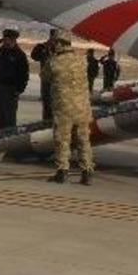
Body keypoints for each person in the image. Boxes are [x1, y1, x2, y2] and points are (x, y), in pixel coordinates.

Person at [47, 37, 95, 185]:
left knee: (62, 139)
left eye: (55, 44)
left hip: (64, 108)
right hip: (82, 107)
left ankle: (62, 171)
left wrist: (50, 55)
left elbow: (45, 76)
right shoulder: (81, 60)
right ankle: (87, 171)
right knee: (83, 140)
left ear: (59, 44)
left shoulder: (55, 61)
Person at [0, 29, 30, 130]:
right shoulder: (1, 51)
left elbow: (24, 74)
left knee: (9, 117)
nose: (6, 41)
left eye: (8, 39)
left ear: (13, 40)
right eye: (4, 39)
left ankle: (9, 140)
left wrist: (19, 90)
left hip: (11, 89)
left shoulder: (19, 55)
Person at [30, 29, 59, 122]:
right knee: (47, 105)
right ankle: (46, 123)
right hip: (46, 81)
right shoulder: (43, 47)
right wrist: (44, 47)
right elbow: (34, 56)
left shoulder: (61, 49)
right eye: (54, 37)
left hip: (58, 82)